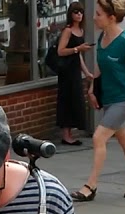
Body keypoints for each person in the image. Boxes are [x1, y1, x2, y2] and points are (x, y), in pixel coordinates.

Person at [70, 0, 125, 203]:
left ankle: (91, 186)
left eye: (98, 14)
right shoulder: (102, 36)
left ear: (111, 17)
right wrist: (92, 88)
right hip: (109, 97)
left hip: (124, 99)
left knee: (98, 137)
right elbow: (102, 67)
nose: (94, 17)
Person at [54, 2, 92, 146]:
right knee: (67, 100)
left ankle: (70, 133)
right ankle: (66, 135)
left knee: (76, 100)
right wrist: (77, 48)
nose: (79, 15)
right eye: (76, 12)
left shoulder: (81, 31)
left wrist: (86, 72)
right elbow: (60, 51)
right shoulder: (68, 31)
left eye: (81, 12)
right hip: (66, 71)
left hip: (75, 70)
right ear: (71, 14)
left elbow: (79, 56)